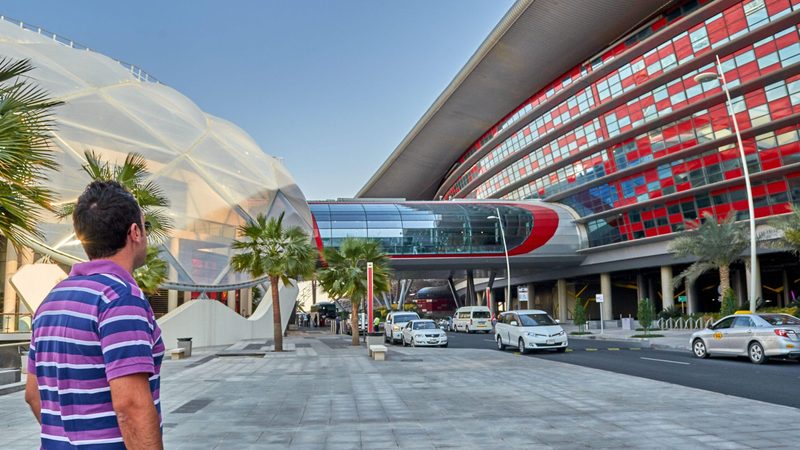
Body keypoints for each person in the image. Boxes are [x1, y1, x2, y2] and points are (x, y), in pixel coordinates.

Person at [25, 181, 165, 449]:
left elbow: (33, 395)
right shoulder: (120, 299)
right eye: (145, 227)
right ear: (135, 232)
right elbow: (131, 406)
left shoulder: (51, 300)